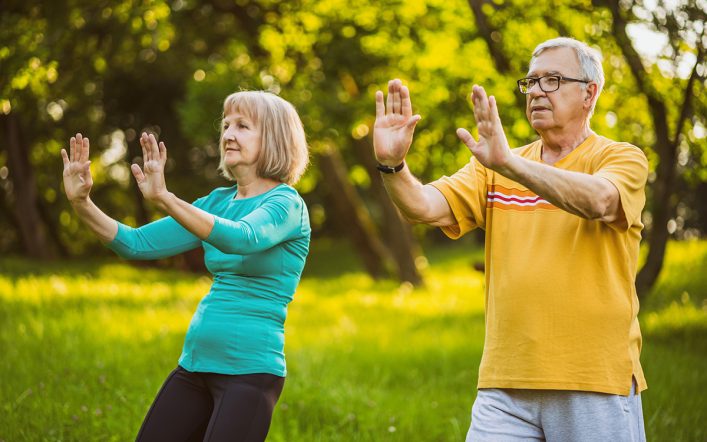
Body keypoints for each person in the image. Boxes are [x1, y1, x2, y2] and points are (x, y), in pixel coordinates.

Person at [373, 37, 648, 441]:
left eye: (552, 80)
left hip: (592, 379)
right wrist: (392, 164)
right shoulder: (495, 165)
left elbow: (601, 201)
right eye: (531, 81)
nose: (536, 90)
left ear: (589, 93)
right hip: (505, 385)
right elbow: (422, 207)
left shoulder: (619, 157)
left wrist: (510, 164)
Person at [61, 90, 311, 441]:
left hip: (250, 373)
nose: (228, 135)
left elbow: (242, 238)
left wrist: (165, 198)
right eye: (226, 126)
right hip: (195, 365)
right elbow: (136, 244)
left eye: (242, 126)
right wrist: (82, 203)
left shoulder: (287, 204)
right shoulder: (217, 202)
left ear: (274, 138)